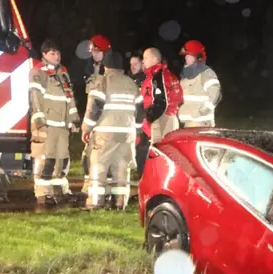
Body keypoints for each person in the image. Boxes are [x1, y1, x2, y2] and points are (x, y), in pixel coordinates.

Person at [81, 51, 143, 210]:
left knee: (99, 167)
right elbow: (139, 112)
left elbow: (94, 108)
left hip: (105, 134)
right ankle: (119, 203)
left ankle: (95, 202)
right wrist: (136, 131)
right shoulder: (131, 83)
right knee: (122, 168)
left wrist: (86, 129)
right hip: (127, 135)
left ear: (106, 66)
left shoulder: (102, 81)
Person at [28, 39, 80, 206]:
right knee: (45, 159)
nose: (56, 56)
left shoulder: (63, 73)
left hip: (62, 125)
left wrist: (74, 119)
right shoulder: (38, 73)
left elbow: (69, 98)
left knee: (62, 159)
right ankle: (43, 194)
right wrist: (40, 120)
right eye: (52, 53)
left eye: (57, 53)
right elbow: (35, 97)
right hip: (47, 124)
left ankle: (60, 190)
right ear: (44, 55)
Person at [137, 47, 182, 175]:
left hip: (161, 119)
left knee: (159, 154)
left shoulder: (159, 75)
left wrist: (148, 118)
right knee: (164, 154)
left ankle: (161, 182)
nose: (143, 61)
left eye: (146, 58)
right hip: (166, 117)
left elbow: (161, 101)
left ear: (155, 59)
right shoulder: (160, 74)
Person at [80, 34, 112, 199]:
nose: (94, 54)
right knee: (87, 156)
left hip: (104, 122)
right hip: (93, 120)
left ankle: (103, 190)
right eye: (93, 51)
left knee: (103, 157)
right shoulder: (90, 70)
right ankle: (88, 187)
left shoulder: (109, 75)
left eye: (97, 52)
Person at [178, 40, 221, 128]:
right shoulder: (185, 76)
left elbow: (216, 94)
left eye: (189, 56)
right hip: (188, 124)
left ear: (199, 57)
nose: (186, 58)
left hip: (201, 124)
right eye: (186, 56)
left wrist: (204, 110)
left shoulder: (206, 73)